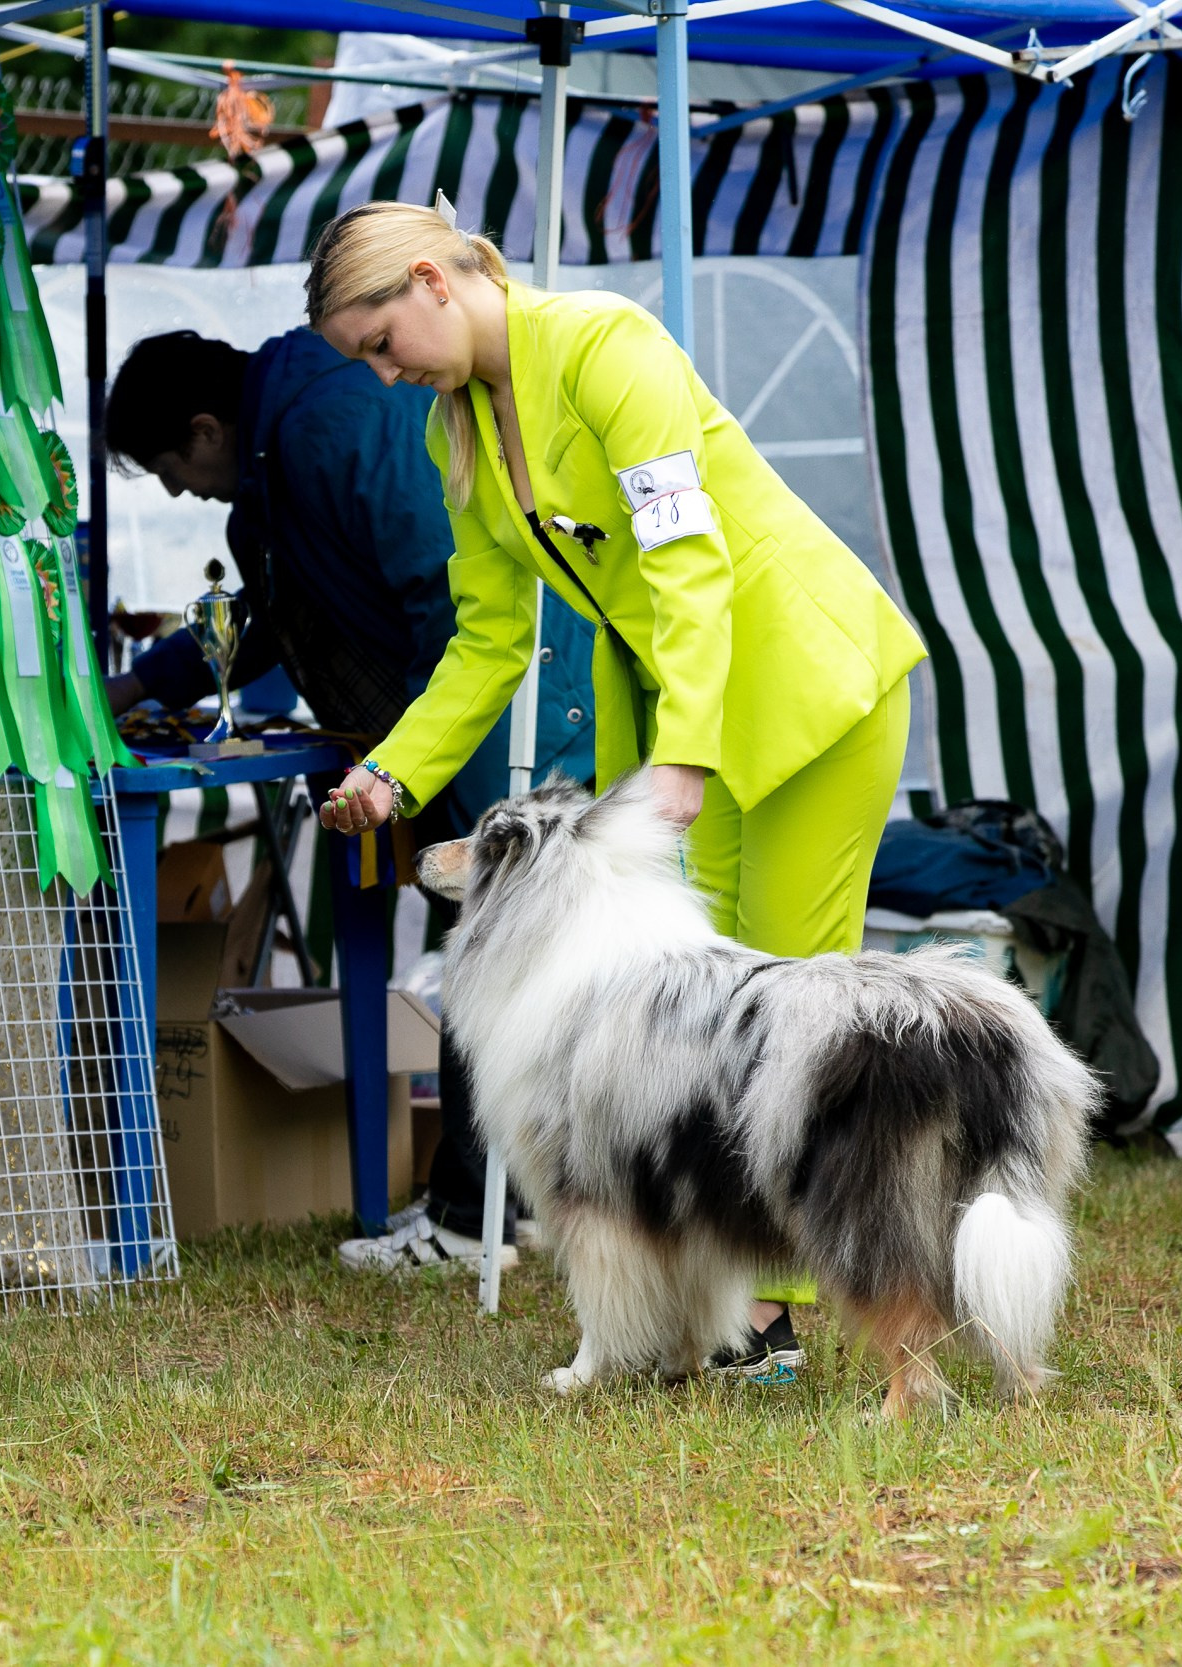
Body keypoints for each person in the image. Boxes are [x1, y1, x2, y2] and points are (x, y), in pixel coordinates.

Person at [305, 201, 927, 1379]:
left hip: (802, 689)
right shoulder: (466, 435)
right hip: (690, 719)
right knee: (702, 1022)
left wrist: (682, 753)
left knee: (779, 1010)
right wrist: (391, 775)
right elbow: (488, 640)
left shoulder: (606, 348)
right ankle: (729, 1305)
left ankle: (768, 1317)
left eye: (381, 341)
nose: (384, 375)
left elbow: (686, 557)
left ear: (433, 280)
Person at [102, 326, 596, 1273]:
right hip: (458, 714)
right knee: (510, 950)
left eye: (171, 470)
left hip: (488, 711)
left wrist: (417, 753)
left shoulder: (326, 425)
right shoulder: (289, 441)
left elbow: (441, 592)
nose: (178, 495)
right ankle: (519, 1199)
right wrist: (143, 684)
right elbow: (275, 611)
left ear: (206, 428)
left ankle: (467, 1218)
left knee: (494, 951)